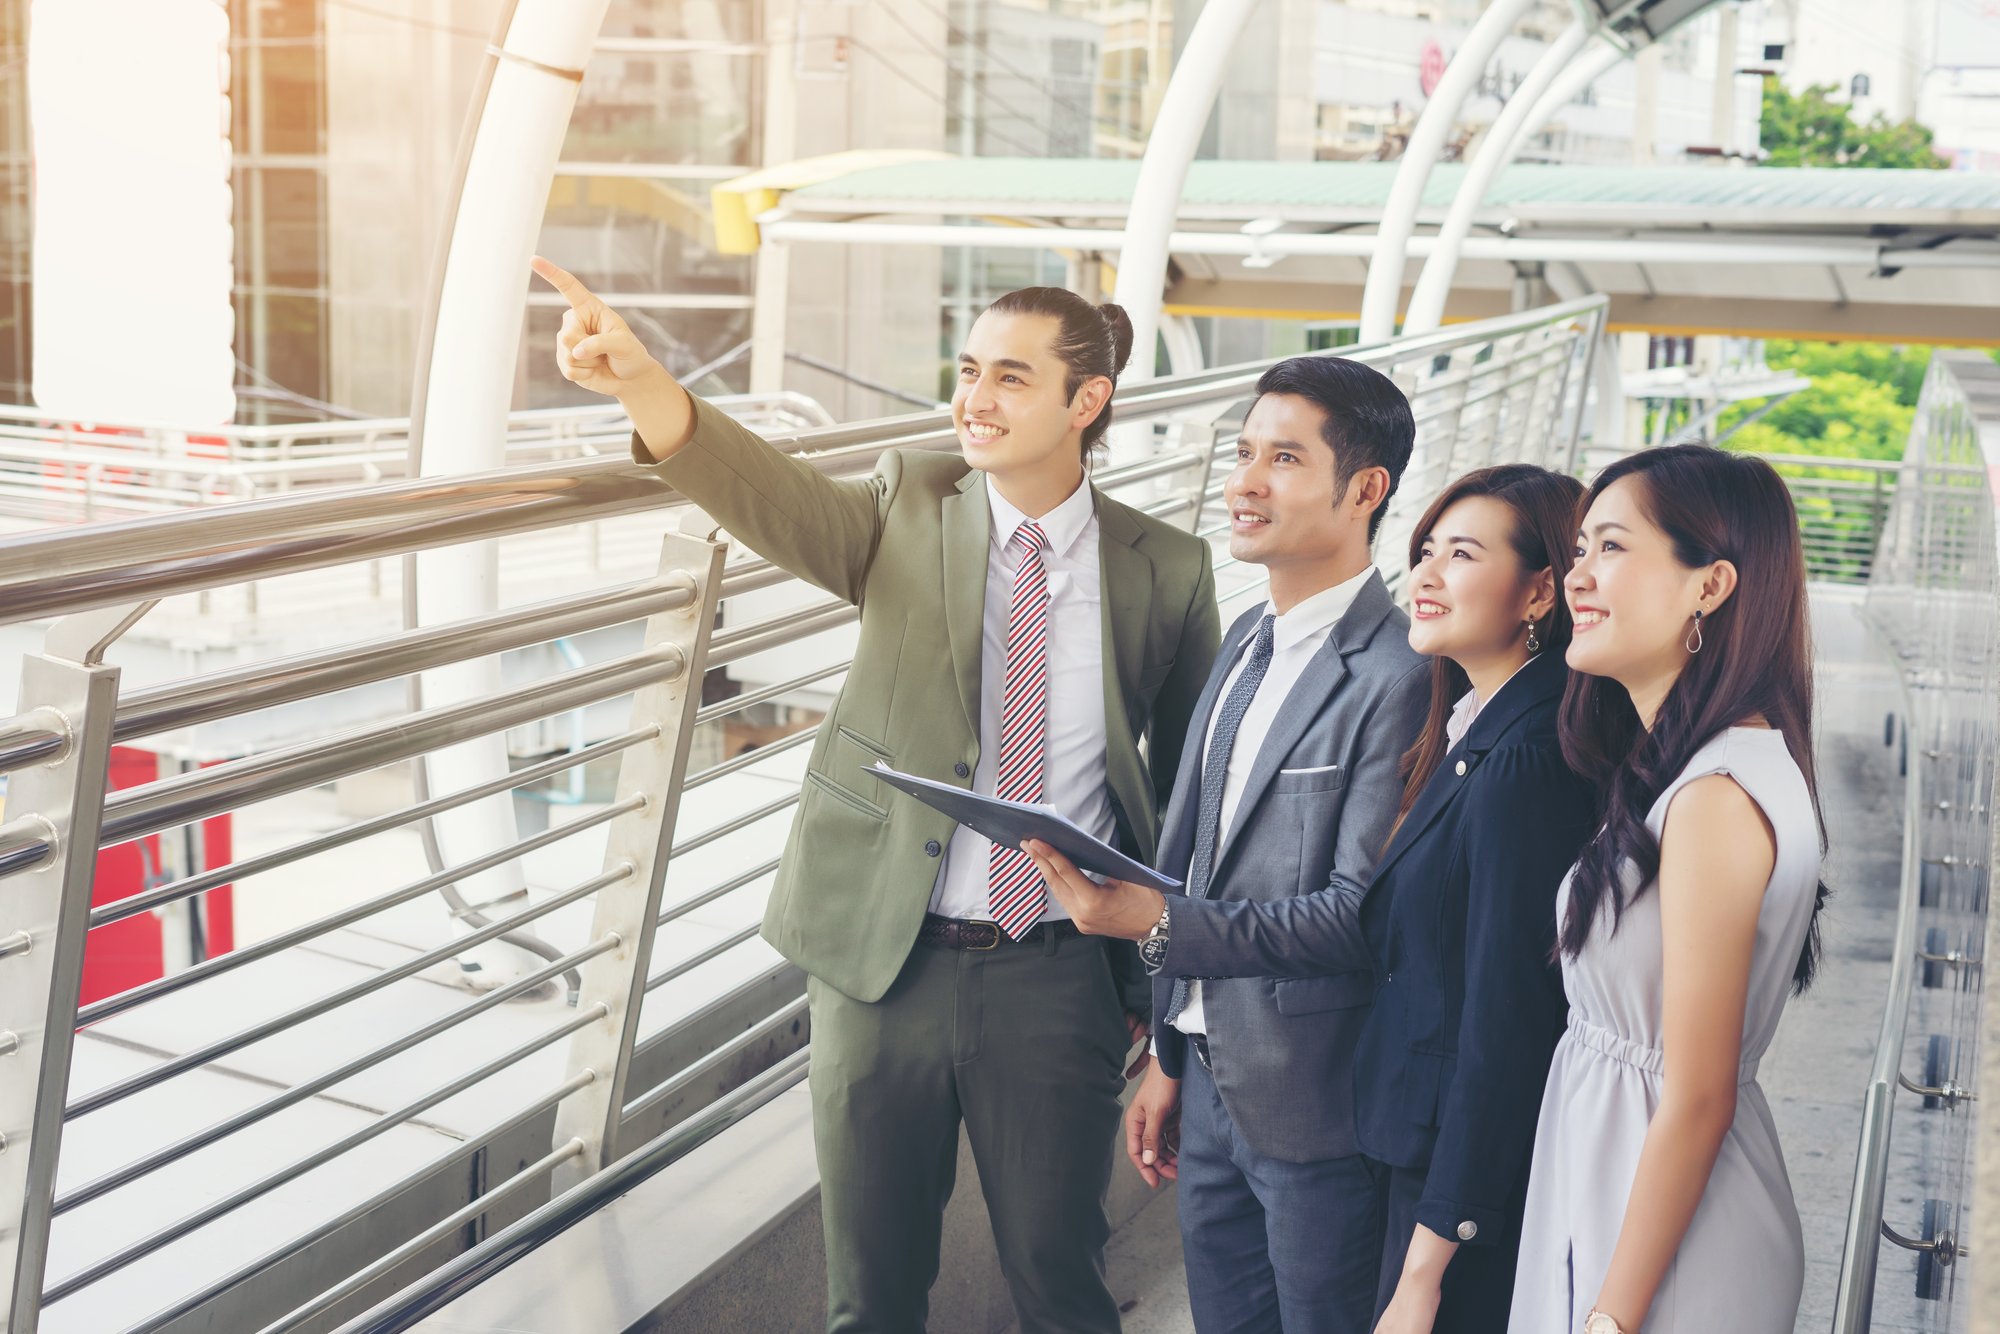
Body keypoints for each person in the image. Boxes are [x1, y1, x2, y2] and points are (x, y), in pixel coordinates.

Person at [533, 259, 1221, 1334]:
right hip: (880, 967)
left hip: (1054, 975)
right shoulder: (911, 498)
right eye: (967, 370)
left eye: (1010, 378)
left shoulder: (1165, 567)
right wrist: (639, 381)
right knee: (870, 1296)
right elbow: (766, 495)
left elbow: (1187, 797)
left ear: (1085, 400)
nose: (973, 399)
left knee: (1061, 1281)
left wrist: (1157, 981)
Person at [1024, 355, 1430, 1333]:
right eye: (1242, 452)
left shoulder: (1401, 672)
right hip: (1206, 1085)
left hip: (1317, 1107)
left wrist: (1155, 921)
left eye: (1283, 459)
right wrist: (1170, 1053)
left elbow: (1357, 915)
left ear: (1364, 490)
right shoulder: (1247, 633)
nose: (1243, 481)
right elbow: (1199, 855)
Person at [1510, 444, 1828, 1334]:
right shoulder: (1684, 770)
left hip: (1671, 1251)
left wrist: (1610, 1318)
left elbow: (1698, 1095)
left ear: (1710, 586)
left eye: (1611, 547)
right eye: (1580, 548)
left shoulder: (1715, 799)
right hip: (1618, 1196)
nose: (1578, 575)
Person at [1348, 465, 1596, 1332]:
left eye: (1461, 554)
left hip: (1457, 1194)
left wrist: (1426, 1272)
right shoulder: (1475, 725)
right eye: (1424, 551)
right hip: (1421, 1156)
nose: (1425, 574)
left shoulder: (1523, 760)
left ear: (1540, 592)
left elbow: (1507, 1023)